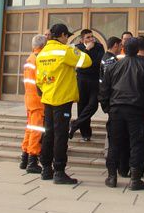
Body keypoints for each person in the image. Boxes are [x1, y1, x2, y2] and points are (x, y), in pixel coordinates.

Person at [36, 24, 92, 184]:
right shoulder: (65, 50)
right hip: (62, 100)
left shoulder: (42, 53)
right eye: (66, 36)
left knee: (48, 133)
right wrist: (79, 49)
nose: (67, 38)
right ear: (61, 35)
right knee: (60, 135)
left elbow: (39, 80)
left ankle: (46, 168)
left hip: (48, 99)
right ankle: (59, 171)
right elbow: (86, 61)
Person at [99, 38, 144, 190]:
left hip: (117, 109)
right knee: (136, 144)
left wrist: (107, 108)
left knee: (114, 144)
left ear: (123, 49)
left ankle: (112, 177)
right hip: (136, 110)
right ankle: (135, 179)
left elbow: (104, 90)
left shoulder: (114, 67)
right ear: (138, 49)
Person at [100, 36, 129, 177]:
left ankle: (112, 176)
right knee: (118, 140)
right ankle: (121, 169)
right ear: (116, 45)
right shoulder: (113, 61)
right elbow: (108, 84)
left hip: (112, 104)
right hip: (117, 103)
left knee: (113, 139)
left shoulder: (104, 58)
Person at [69, 29, 105, 141]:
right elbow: (79, 64)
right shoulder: (78, 48)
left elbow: (98, 62)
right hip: (82, 79)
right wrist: (86, 50)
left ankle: (75, 124)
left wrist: (88, 62)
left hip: (94, 79)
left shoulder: (99, 47)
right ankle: (86, 133)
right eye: (88, 38)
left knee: (93, 105)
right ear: (82, 39)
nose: (91, 39)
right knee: (82, 106)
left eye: (91, 37)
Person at [19, 34, 47, 174]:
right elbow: (42, 80)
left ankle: (24, 158)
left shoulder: (30, 58)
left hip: (29, 98)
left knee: (30, 129)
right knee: (37, 130)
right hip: (38, 100)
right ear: (43, 46)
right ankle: (32, 161)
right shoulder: (39, 59)